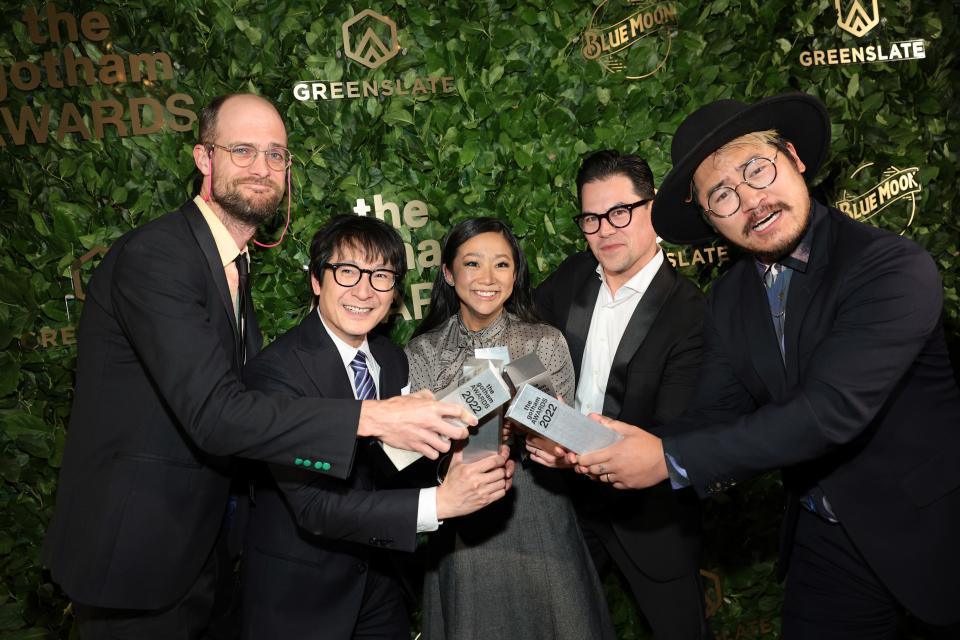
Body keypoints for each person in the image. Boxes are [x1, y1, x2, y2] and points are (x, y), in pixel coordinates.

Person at [42, 93, 475, 639]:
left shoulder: (232, 265)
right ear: (204, 158)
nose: (261, 167)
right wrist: (374, 418)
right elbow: (216, 415)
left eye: (276, 154)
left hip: (211, 555)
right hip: (139, 557)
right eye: (242, 150)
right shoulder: (159, 256)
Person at [574, 92, 960, 637]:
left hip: (932, 536)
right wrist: (620, 443)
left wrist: (667, 457)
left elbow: (828, 412)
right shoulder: (731, 297)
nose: (752, 201)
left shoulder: (891, 268)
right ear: (709, 219)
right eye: (723, 196)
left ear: (795, 159)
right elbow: (714, 412)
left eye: (758, 168)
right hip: (823, 540)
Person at [241, 214, 515, 639]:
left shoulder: (391, 358)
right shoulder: (276, 374)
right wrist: (442, 503)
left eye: (381, 276)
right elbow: (315, 508)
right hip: (302, 599)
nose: (364, 291)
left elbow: (393, 465)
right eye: (347, 271)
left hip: (382, 583)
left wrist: (456, 465)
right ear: (317, 280)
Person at [406, 217, 615, 640]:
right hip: (463, 518)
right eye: (472, 264)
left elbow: (563, 437)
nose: (487, 278)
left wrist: (540, 430)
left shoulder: (544, 341)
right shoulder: (421, 351)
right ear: (448, 272)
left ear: (515, 273)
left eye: (501, 265)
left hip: (537, 508)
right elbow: (416, 450)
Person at [534, 150, 709, 639]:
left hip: (650, 521)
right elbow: (528, 352)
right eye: (591, 218)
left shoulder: (689, 312)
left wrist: (566, 445)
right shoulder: (571, 278)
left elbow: (669, 431)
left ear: (651, 209)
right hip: (567, 510)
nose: (604, 230)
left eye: (619, 213)